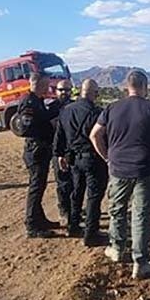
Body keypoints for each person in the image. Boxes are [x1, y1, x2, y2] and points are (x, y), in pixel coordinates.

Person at [90, 70, 150, 279]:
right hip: (146, 170)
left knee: (117, 210)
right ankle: (139, 262)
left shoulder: (112, 108)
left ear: (126, 87)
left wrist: (107, 157)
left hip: (118, 169)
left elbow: (94, 135)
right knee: (141, 215)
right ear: (145, 87)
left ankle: (116, 249)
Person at [53, 79, 107, 245]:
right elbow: (104, 137)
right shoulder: (97, 112)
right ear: (93, 93)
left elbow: (59, 134)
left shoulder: (66, 110)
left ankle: (73, 226)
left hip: (74, 159)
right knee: (93, 196)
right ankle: (91, 234)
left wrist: (59, 154)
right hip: (93, 159)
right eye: (96, 93)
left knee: (76, 193)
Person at [16, 72, 58, 238]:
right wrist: (47, 123)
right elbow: (25, 128)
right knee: (36, 187)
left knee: (40, 186)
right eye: (46, 84)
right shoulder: (29, 101)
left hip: (41, 149)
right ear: (38, 84)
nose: (48, 87)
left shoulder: (38, 101)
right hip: (35, 150)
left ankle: (40, 219)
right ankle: (32, 224)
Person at [49, 79, 74, 226]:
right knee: (63, 183)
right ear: (55, 91)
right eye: (61, 90)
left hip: (73, 151)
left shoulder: (75, 106)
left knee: (75, 183)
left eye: (67, 90)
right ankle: (64, 211)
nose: (64, 93)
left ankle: (74, 210)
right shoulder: (51, 108)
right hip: (58, 151)